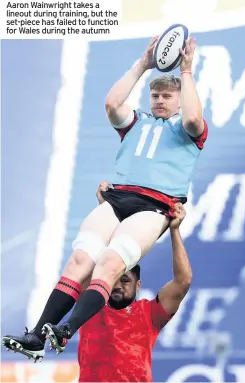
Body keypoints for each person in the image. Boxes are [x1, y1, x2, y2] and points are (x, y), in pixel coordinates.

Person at [3, 36, 207, 361]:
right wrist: (142, 63)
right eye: (155, 94)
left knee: (110, 264)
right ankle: (37, 335)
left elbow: (195, 119)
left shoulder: (186, 130)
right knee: (79, 262)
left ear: (180, 100)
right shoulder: (137, 122)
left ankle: (66, 330)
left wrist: (186, 71)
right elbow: (112, 103)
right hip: (117, 198)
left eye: (167, 96)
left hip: (153, 206)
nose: (159, 100)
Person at [78, 188, 191, 383]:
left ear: (138, 285)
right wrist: (106, 208)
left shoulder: (150, 314)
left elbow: (183, 281)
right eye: (115, 278)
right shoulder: (89, 307)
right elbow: (101, 260)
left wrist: (174, 230)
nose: (117, 285)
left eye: (125, 280)